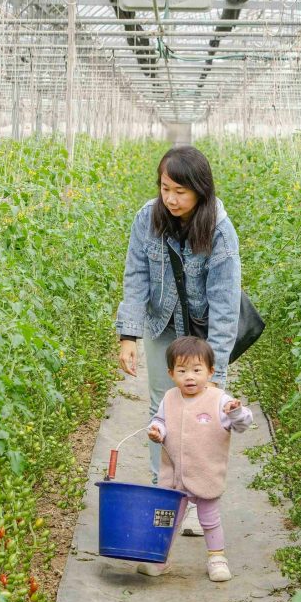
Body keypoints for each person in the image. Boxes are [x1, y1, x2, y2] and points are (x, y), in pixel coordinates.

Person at [115, 146, 242, 536]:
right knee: (163, 409)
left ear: (200, 191)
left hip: (202, 329)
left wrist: (216, 369)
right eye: (165, 188)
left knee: (204, 417)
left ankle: (198, 495)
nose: (170, 198)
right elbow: (135, 276)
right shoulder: (147, 218)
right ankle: (167, 496)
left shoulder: (219, 229)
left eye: (180, 191)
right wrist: (128, 335)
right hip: (161, 323)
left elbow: (225, 300)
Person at [141, 336, 252, 581]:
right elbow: (160, 420)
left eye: (196, 370)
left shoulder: (219, 400)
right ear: (171, 373)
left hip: (205, 472)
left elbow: (244, 423)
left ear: (211, 372)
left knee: (209, 519)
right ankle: (159, 559)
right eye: (182, 371)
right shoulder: (169, 398)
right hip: (174, 475)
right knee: (166, 518)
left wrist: (236, 412)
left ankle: (217, 558)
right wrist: (157, 431)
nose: (189, 377)